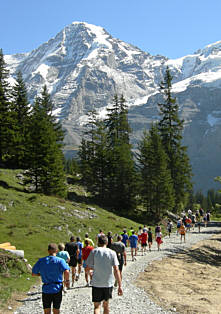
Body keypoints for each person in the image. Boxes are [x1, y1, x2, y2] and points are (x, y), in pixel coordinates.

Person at [86, 235, 123, 314]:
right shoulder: (112, 253)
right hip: (108, 283)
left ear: (98, 242)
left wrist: (90, 274)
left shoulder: (94, 251)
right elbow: (116, 270)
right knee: (106, 306)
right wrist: (120, 285)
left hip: (96, 283)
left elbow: (88, 267)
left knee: (97, 306)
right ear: (107, 242)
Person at [32, 243, 70, 314]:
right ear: (56, 251)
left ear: (48, 251)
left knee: (47, 310)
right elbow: (67, 271)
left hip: (46, 288)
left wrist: (41, 274)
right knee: (56, 309)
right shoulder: (60, 260)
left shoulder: (41, 261)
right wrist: (67, 281)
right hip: (57, 288)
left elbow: (33, 273)